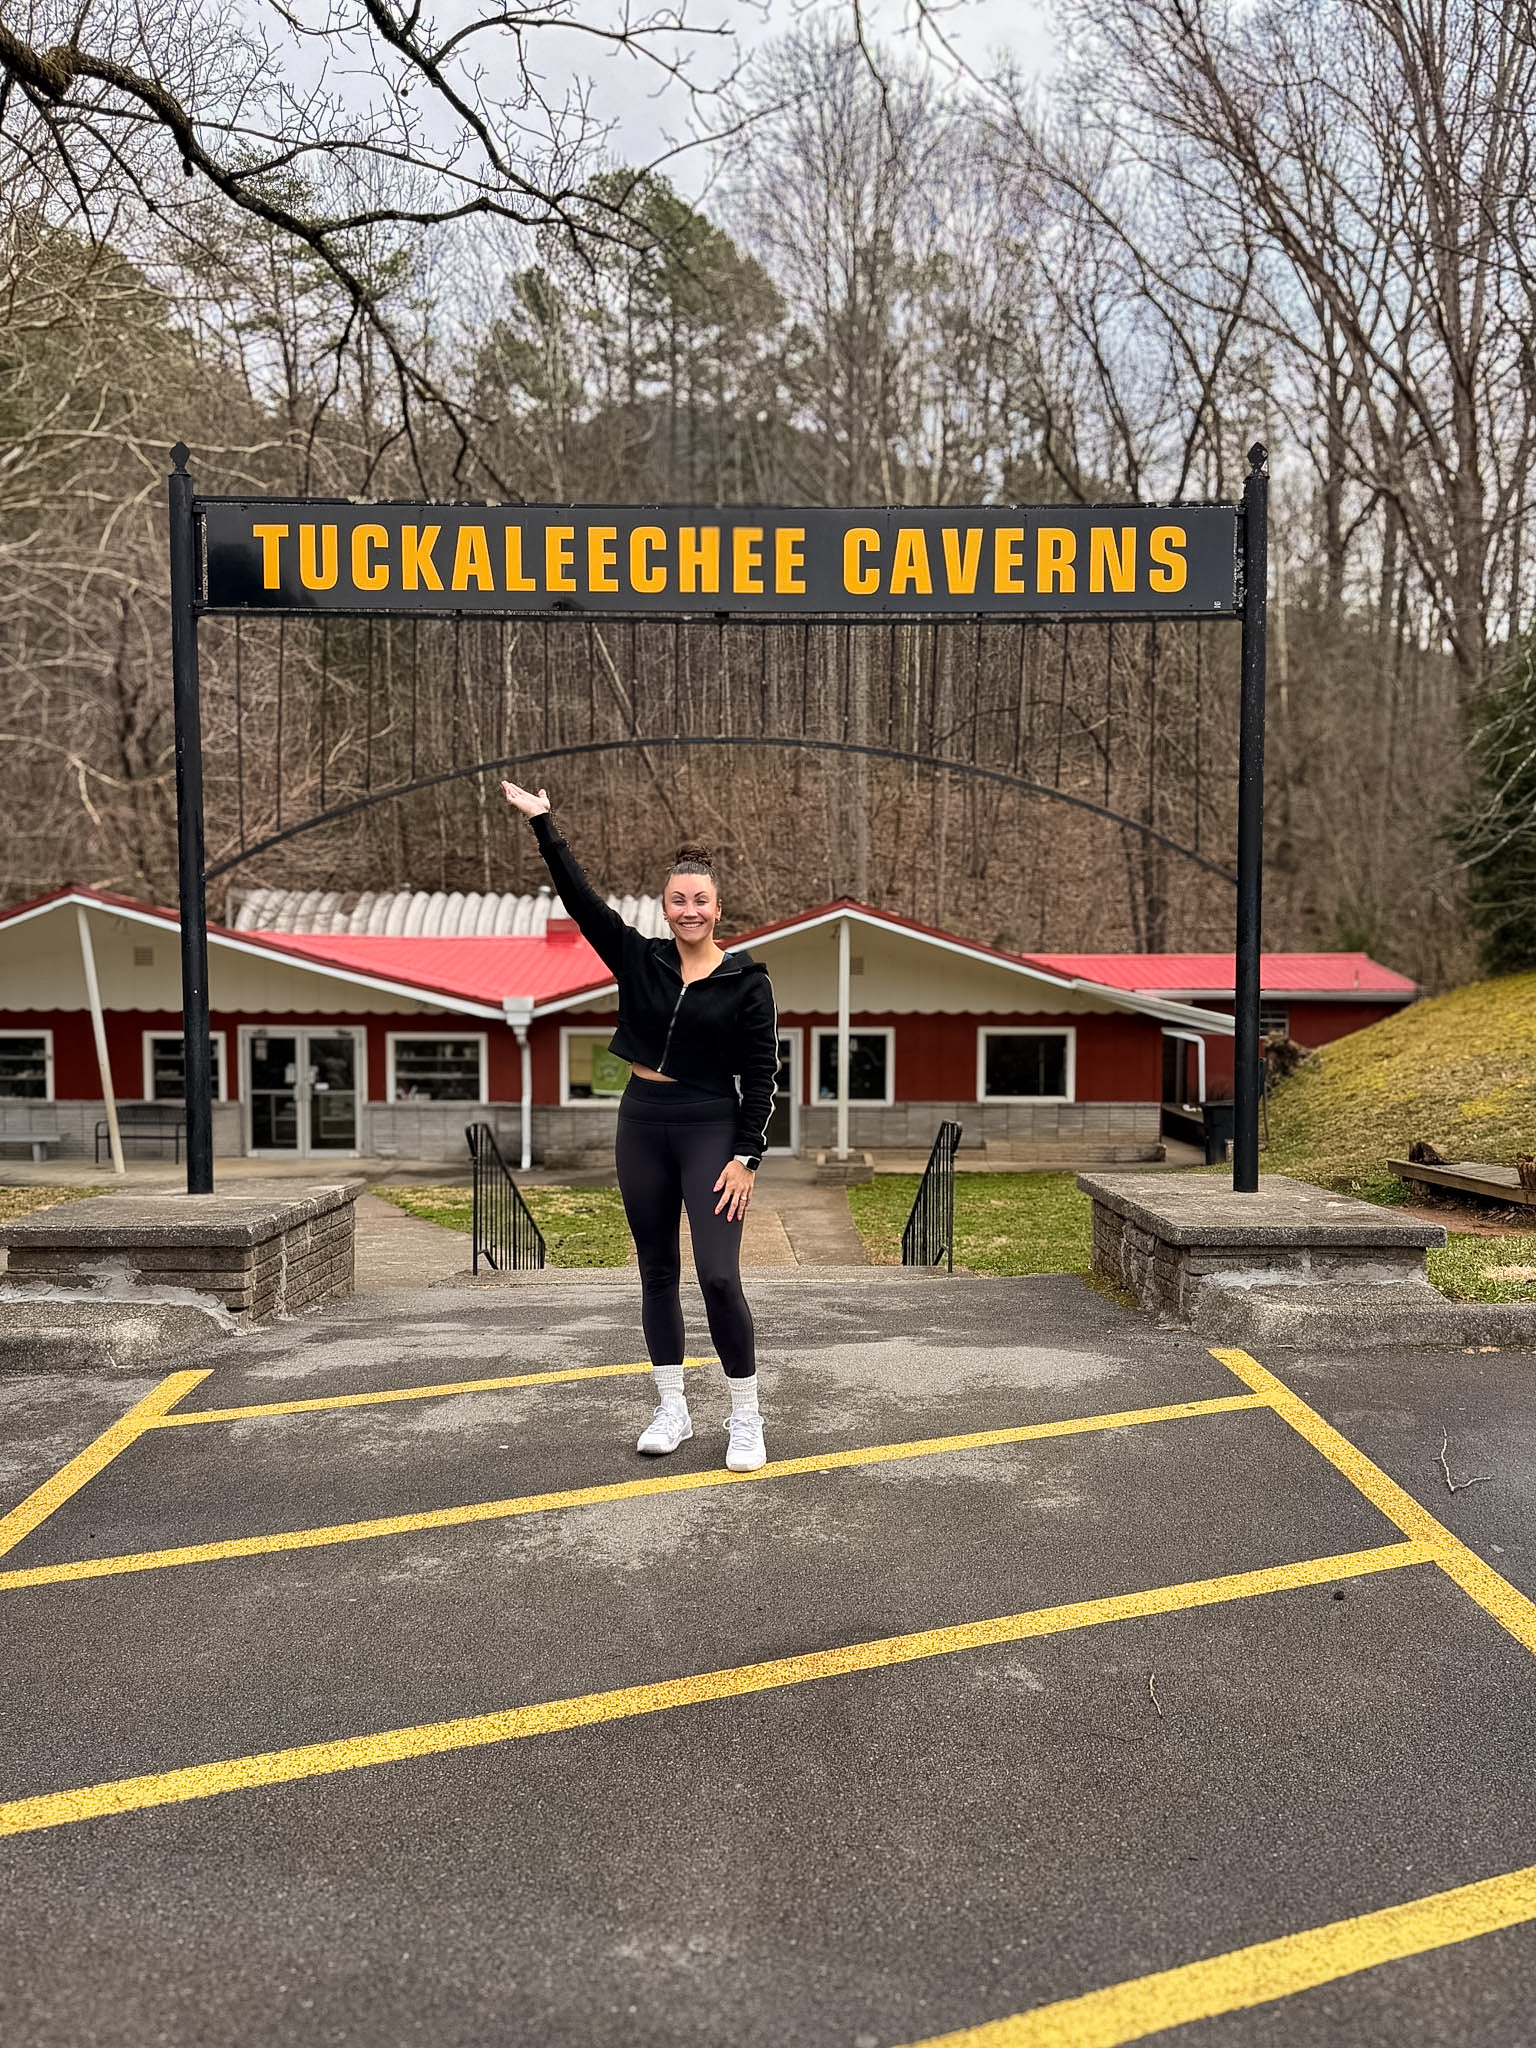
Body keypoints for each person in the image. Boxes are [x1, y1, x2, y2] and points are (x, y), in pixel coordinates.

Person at [501, 781, 779, 1472]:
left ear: (718, 909)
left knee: (718, 1275)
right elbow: (580, 899)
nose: (689, 910)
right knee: (656, 1271)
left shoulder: (748, 984)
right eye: (678, 900)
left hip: (710, 1127)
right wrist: (545, 826)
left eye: (701, 901)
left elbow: (762, 1079)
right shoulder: (639, 958)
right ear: (666, 907)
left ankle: (746, 1416)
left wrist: (747, 1156)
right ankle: (672, 1407)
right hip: (642, 1121)